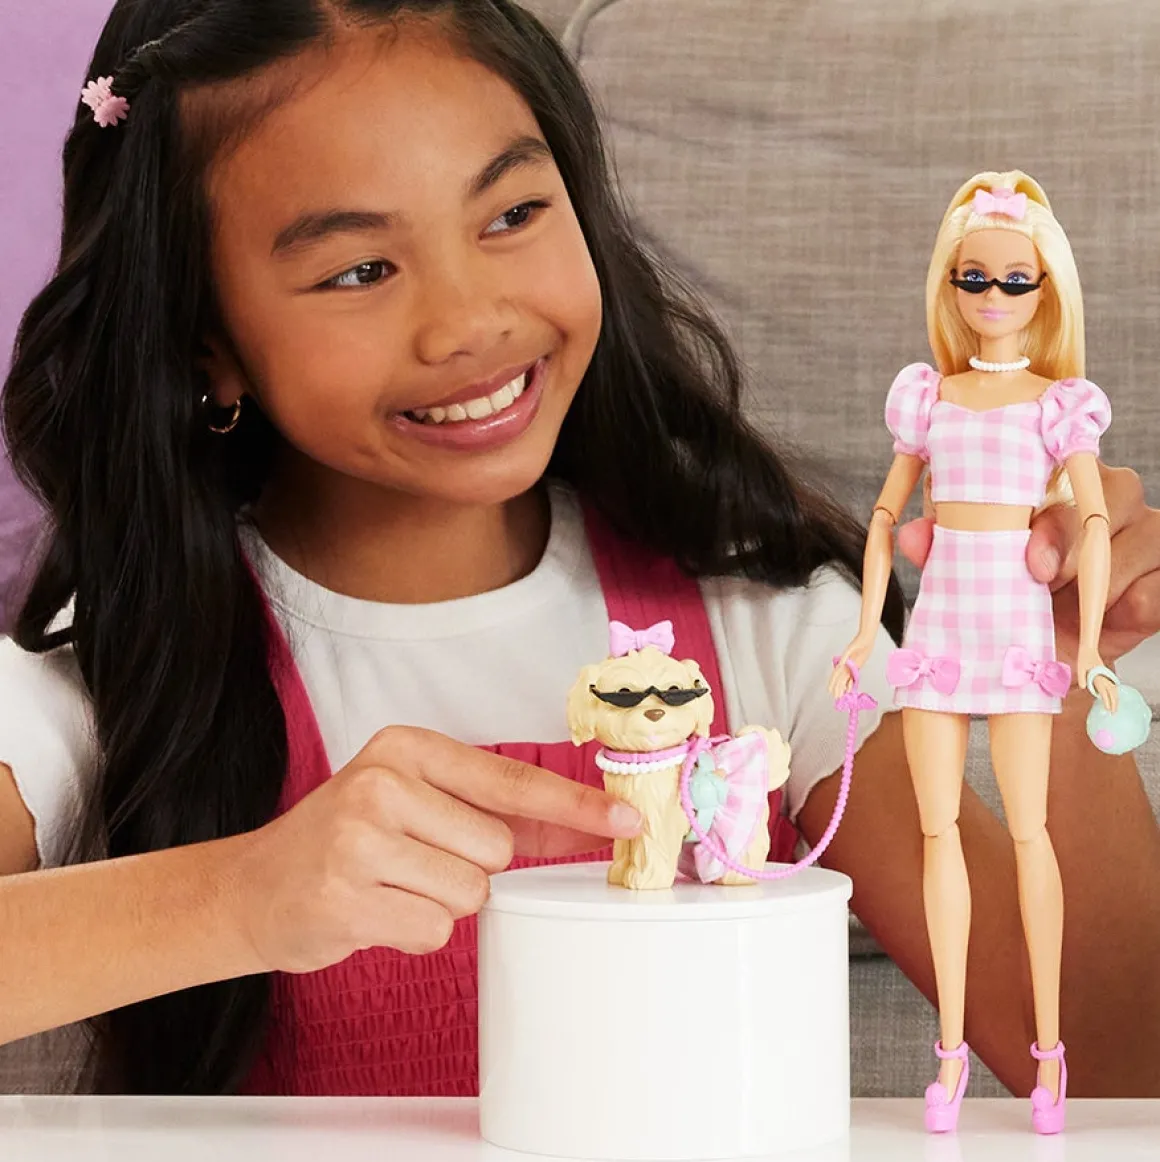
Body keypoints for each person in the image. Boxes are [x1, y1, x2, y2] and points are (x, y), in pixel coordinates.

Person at [0, 0, 1158, 1101]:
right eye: (359, 270)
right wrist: (244, 894)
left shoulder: (766, 629)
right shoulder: (112, 671)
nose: (470, 321)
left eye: (511, 216)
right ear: (207, 343)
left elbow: (1109, 1069)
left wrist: (1066, 669)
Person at [831, 171, 1117, 1134]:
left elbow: (1093, 521)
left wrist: (1091, 639)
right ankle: (949, 1054)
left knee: (1031, 835)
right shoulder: (930, 398)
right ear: (949, 285)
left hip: (1019, 624)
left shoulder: (1057, 404)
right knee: (936, 831)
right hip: (942, 626)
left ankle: (1048, 1054)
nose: (993, 296)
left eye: (1015, 280)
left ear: (1046, 290)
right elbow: (884, 517)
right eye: (974, 278)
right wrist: (865, 629)